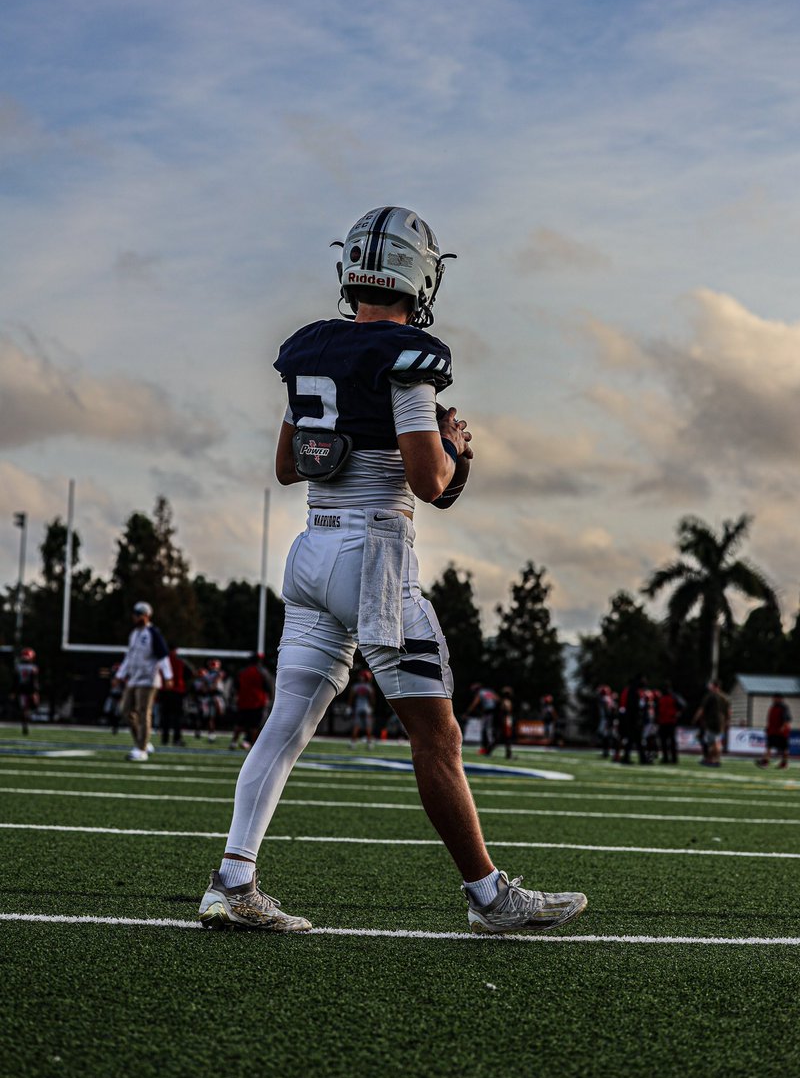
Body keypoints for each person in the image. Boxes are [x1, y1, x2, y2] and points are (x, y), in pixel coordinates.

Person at [198, 205, 587, 934]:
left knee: (283, 728)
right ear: (421, 277)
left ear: (352, 270)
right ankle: (488, 896)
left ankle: (233, 882)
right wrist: (453, 443)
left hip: (311, 549)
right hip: (374, 559)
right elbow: (429, 482)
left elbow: (287, 465)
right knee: (437, 738)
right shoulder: (410, 355)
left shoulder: (309, 348)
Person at [118, 602, 173, 762]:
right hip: (134, 679)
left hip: (148, 680)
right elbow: (129, 657)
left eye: (139, 614)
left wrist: (168, 676)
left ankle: (141, 749)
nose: (136, 617)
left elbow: (163, 656)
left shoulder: (153, 633)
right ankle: (143, 741)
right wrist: (120, 674)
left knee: (143, 712)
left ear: (147, 615)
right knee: (125, 710)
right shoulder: (134, 634)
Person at [231, 654, 274, 750]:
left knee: (240, 724)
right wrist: (271, 697)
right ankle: (253, 745)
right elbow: (269, 686)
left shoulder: (242, 672)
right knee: (255, 726)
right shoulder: (262, 672)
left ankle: (233, 742)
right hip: (258, 702)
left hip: (243, 701)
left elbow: (236, 686)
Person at [160, 644, 193, 747]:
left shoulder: (163, 660)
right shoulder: (180, 661)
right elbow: (190, 673)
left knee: (165, 717)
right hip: (177, 692)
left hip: (165, 691)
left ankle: (165, 739)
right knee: (177, 717)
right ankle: (176, 739)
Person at [693, 679, 730, 768]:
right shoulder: (725, 697)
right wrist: (727, 721)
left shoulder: (710, 696)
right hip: (721, 722)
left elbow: (701, 709)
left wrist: (695, 719)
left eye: (710, 685)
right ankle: (716, 759)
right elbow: (728, 712)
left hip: (712, 722)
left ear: (714, 686)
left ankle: (712, 760)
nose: (709, 687)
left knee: (713, 742)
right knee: (717, 741)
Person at [757, 694, 791, 770]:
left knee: (784, 749)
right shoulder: (772, 707)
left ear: (780, 699)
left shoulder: (783, 707)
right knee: (768, 746)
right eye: (773, 698)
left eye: (776, 698)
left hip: (781, 732)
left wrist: (783, 728)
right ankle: (765, 762)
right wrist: (768, 727)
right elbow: (770, 719)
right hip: (772, 731)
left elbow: (787, 719)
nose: (774, 700)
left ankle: (784, 763)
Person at [465, 683, 499, 755]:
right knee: (489, 729)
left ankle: (487, 748)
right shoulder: (489, 691)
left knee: (485, 730)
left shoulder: (480, 693)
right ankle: (488, 746)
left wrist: (467, 712)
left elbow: (474, 704)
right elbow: (497, 699)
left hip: (488, 712)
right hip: (495, 711)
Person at [12, 647, 39, 735]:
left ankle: (25, 724)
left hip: (21, 689)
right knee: (31, 707)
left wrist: (13, 691)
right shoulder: (33, 667)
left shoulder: (18, 667)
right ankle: (27, 721)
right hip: (29, 689)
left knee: (24, 708)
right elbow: (33, 681)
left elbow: (15, 680)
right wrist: (35, 691)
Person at [657, 682, 685, 765]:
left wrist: (678, 713)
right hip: (665, 721)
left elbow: (683, 705)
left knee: (669, 741)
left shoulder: (673, 696)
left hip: (669, 721)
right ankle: (669, 758)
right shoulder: (665, 697)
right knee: (666, 741)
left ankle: (671, 758)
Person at [348, 668, 376, 748]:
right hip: (367, 708)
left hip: (358, 707)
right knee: (368, 726)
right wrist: (372, 707)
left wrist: (349, 707)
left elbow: (351, 698)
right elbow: (372, 699)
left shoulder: (356, 686)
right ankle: (369, 744)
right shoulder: (369, 687)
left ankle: (353, 743)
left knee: (356, 726)